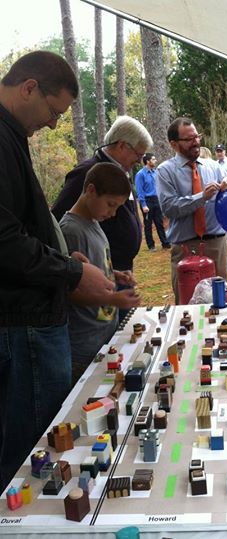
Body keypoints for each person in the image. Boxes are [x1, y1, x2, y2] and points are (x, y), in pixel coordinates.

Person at [0, 51, 115, 494]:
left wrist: (62, 258)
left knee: (40, 444)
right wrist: (67, 271)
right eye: (54, 111)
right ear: (29, 87)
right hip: (21, 323)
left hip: (28, 318)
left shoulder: (11, 135)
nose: (52, 125)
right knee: (34, 454)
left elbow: (23, 226)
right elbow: (4, 240)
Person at [52, 116, 152, 322]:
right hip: (92, 287)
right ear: (123, 146)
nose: (139, 160)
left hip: (111, 271)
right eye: (138, 154)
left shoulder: (120, 172)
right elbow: (58, 225)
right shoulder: (86, 174)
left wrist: (113, 273)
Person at [60, 163, 140, 383]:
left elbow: (92, 269)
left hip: (103, 335)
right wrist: (111, 298)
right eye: (110, 205)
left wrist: (115, 274)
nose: (112, 214)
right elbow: (71, 289)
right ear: (91, 190)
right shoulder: (72, 231)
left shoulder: (93, 222)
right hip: (84, 346)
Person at [157, 117, 227, 304]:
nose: (196, 142)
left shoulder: (214, 167)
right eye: (189, 139)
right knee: (188, 307)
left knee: (223, 303)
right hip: (185, 249)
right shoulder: (165, 171)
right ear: (174, 144)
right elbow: (169, 208)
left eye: (197, 136)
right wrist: (202, 197)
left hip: (216, 245)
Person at [135, 153, 170, 252]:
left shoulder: (156, 172)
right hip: (147, 201)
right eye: (153, 159)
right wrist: (143, 205)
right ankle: (151, 245)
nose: (155, 161)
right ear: (148, 161)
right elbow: (140, 191)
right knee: (148, 224)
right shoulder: (140, 174)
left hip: (156, 200)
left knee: (159, 222)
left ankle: (165, 243)